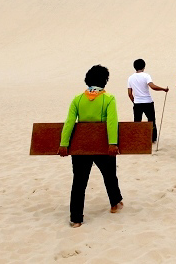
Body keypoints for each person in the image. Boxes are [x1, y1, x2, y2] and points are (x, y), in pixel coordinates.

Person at [58, 65, 122, 228]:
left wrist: (64, 144)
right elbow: (111, 122)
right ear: (105, 81)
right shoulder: (109, 99)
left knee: (79, 181)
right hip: (102, 147)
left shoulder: (78, 99)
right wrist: (112, 143)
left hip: (81, 147)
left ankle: (76, 218)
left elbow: (69, 123)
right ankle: (115, 204)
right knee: (109, 175)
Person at [127, 58, 169, 143]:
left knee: (137, 121)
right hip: (147, 102)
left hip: (137, 103)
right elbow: (153, 87)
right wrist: (163, 89)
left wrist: (134, 101)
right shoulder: (146, 76)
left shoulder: (130, 78)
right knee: (151, 120)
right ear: (144, 66)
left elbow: (129, 94)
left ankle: (137, 138)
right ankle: (153, 138)